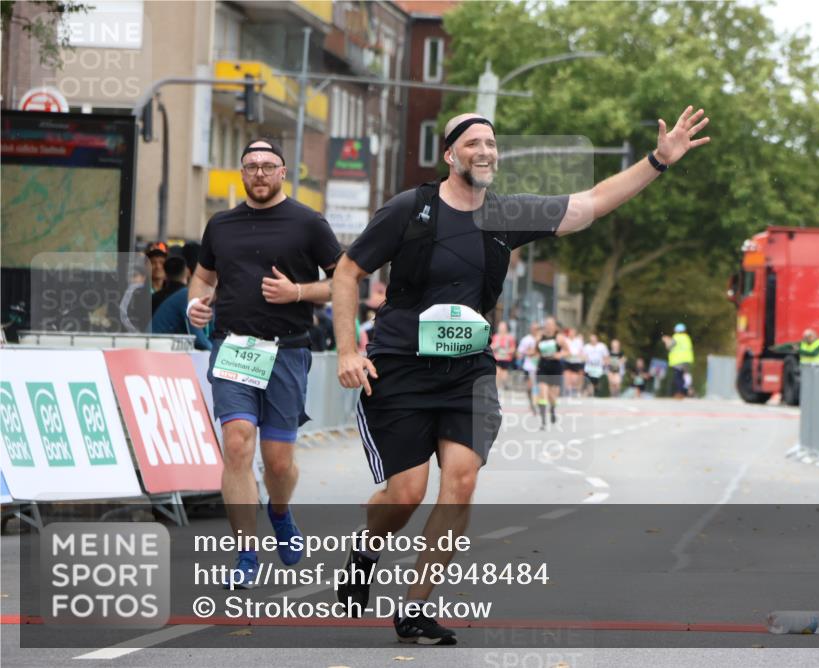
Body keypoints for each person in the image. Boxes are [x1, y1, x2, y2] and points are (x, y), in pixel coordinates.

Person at [332, 106, 709, 644]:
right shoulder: (410, 210)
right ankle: (366, 551)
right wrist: (348, 350)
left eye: (491, 144)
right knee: (406, 495)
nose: (484, 151)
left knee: (459, 483)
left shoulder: (505, 215)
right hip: (401, 366)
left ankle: (414, 609)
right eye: (472, 144)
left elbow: (591, 203)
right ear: (449, 154)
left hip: (467, 374)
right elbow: (348, 272)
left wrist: (658, 161)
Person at [187, 138, 343, 586]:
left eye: (267, 165)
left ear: (282, 173)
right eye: (251, 165)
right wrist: (197, 305)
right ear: (241, 172)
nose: (259, 172)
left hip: (287, 351)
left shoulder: (309, 223)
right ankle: (245, 553)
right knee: (237, 445)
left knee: (278, 462)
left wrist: (297, 292)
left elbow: (343, 281)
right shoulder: (221, 225)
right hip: (233, 347)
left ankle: (279, 511)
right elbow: (203, 277)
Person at [151, 243, 212, 350]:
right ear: (188, 272)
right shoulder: (187, 296)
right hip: (159, 353)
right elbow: (200, 340)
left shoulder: (184, 295)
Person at [535, 316, 569, 429]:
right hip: (543, 366)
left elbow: (568, 351)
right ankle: (543, 421)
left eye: (550, 324)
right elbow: (535, 350)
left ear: (554, 326)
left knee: (552, 396)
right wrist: (531, 353)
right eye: (546, 324)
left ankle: (553, 409)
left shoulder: (559, 338)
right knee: (542, 393)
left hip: (555, 367)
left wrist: (559, 355)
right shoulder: (540, 336)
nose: (548, 326)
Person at [662, 323, 695, 398]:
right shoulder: (687, 338)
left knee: (678, 377)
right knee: (684, 376)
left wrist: (666, 340)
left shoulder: (676, 337)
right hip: (687, 360)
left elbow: (669, 347)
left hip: (678, 361)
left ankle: (680, 392)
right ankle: (686, 390)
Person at [517, 322, 541, 415]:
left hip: (540, 367)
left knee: (538, 387)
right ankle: (532, 404)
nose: (535, 330)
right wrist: (528, 353)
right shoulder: (526, 339)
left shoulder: (542, 339)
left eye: (537, 328)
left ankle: (537, 404)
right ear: (531, 329)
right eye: (533, 328)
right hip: (528, 367)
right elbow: (519, 353)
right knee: (530, 387)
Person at [491, 320, 516, 390]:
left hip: (506, 358)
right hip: (497, 358)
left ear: (506, 328)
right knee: (498, 373)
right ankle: (497, 388)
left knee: (504, 375)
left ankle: (503, 386)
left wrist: (507, 351)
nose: (501, 329)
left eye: (503, 327)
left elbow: (513, 349)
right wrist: (496, 346)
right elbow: (491, 347)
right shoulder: (495, 337)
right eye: (500, 327)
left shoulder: (510, 337)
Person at [563, 327, 586, 397]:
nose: (572, 333)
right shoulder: (565, 340)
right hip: (568, 360)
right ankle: (568, 391)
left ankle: (577, 390)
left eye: (573, 332)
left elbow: (581, 351)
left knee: (576, 378)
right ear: (569, 332)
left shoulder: (579, 341)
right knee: (567, 376)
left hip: (576, 361)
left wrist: (580, 356)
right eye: (571, 332)